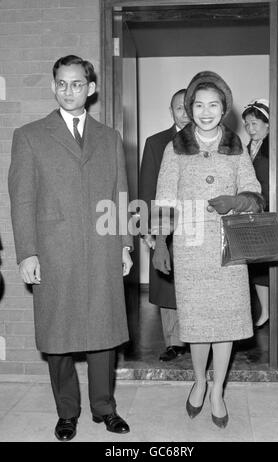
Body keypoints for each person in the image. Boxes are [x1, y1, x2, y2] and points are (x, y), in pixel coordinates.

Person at [8, 55, 133, 441]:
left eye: (76, 83)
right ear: (53, 86)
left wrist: (125, 245)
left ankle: (104, 408)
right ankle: (67, 412)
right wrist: (27, 252)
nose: (68, 90)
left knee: (102, 332)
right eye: (61, 83)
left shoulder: (109, 137)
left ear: (90, 89)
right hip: (53, 252)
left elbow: (120, 195)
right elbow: (22, 199)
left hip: (101, 249)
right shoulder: (29, 135)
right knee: (57, 336)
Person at [152, 71, 264, 428]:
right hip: (189, 245)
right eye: (198, 104)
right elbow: (165, 199)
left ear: (223, 108)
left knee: (226, 322)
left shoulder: (235, 147)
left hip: (226, 246)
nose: (205, 111)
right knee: (198, 321)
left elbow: (255, 192)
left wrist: (237, 200)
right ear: (189, 108)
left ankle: (218, 389)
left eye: (213, 104)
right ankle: (199, 382)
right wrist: (159, 243)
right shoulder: (175, 148)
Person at [139, 89, 189, 361]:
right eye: (177, 108)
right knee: (168, 282)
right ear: (171, 112)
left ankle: (200, 336)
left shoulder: (210, 140)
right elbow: (147, 186)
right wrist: (148, 230)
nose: (183, 112)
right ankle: (174, 341)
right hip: (165, 222)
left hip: (198, 223)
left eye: (186, 106)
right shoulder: (156, 142)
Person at [242, 99, 270, 327]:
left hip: (267, 211)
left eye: (254, 124)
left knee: (265, 267)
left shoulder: (273, 148)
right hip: (250, 212)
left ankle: (269, 311)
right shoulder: (246, 148)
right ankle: (265, 310)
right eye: (247, 125)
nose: (251, 129)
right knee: (255, 267)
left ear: (267, 125)